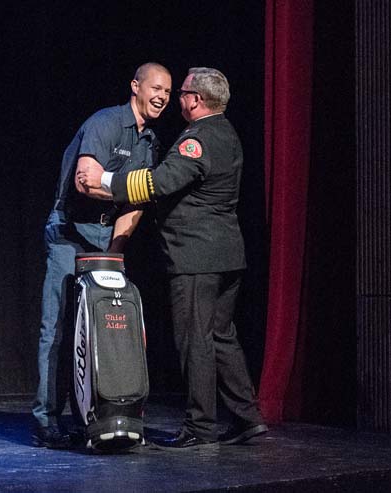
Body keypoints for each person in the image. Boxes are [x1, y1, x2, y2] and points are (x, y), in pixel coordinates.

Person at [76, 67, 268, 449]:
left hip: (197, 256)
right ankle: (248, 418)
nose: (176, 98)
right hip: (226, 254)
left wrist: (107, 180)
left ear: (194, 99)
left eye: (180, 92)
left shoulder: (198, 138)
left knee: (195, 340)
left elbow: (160, 183)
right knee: (221, 337)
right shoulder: (226, 133)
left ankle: (201, 425)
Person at [32, 63, 172, 448]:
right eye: (156, 87)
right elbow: (86, 180)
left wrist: (115, 250)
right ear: (135, 86)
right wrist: (131, 190)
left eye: (168, 92)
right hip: (69, 232)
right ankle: (46, 419)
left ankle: (87, 416)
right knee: (58, 327)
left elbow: (137, 204)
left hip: (106, 237)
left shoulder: (150, 142)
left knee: (96, 330)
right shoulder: (106, 123)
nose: (161, 96)